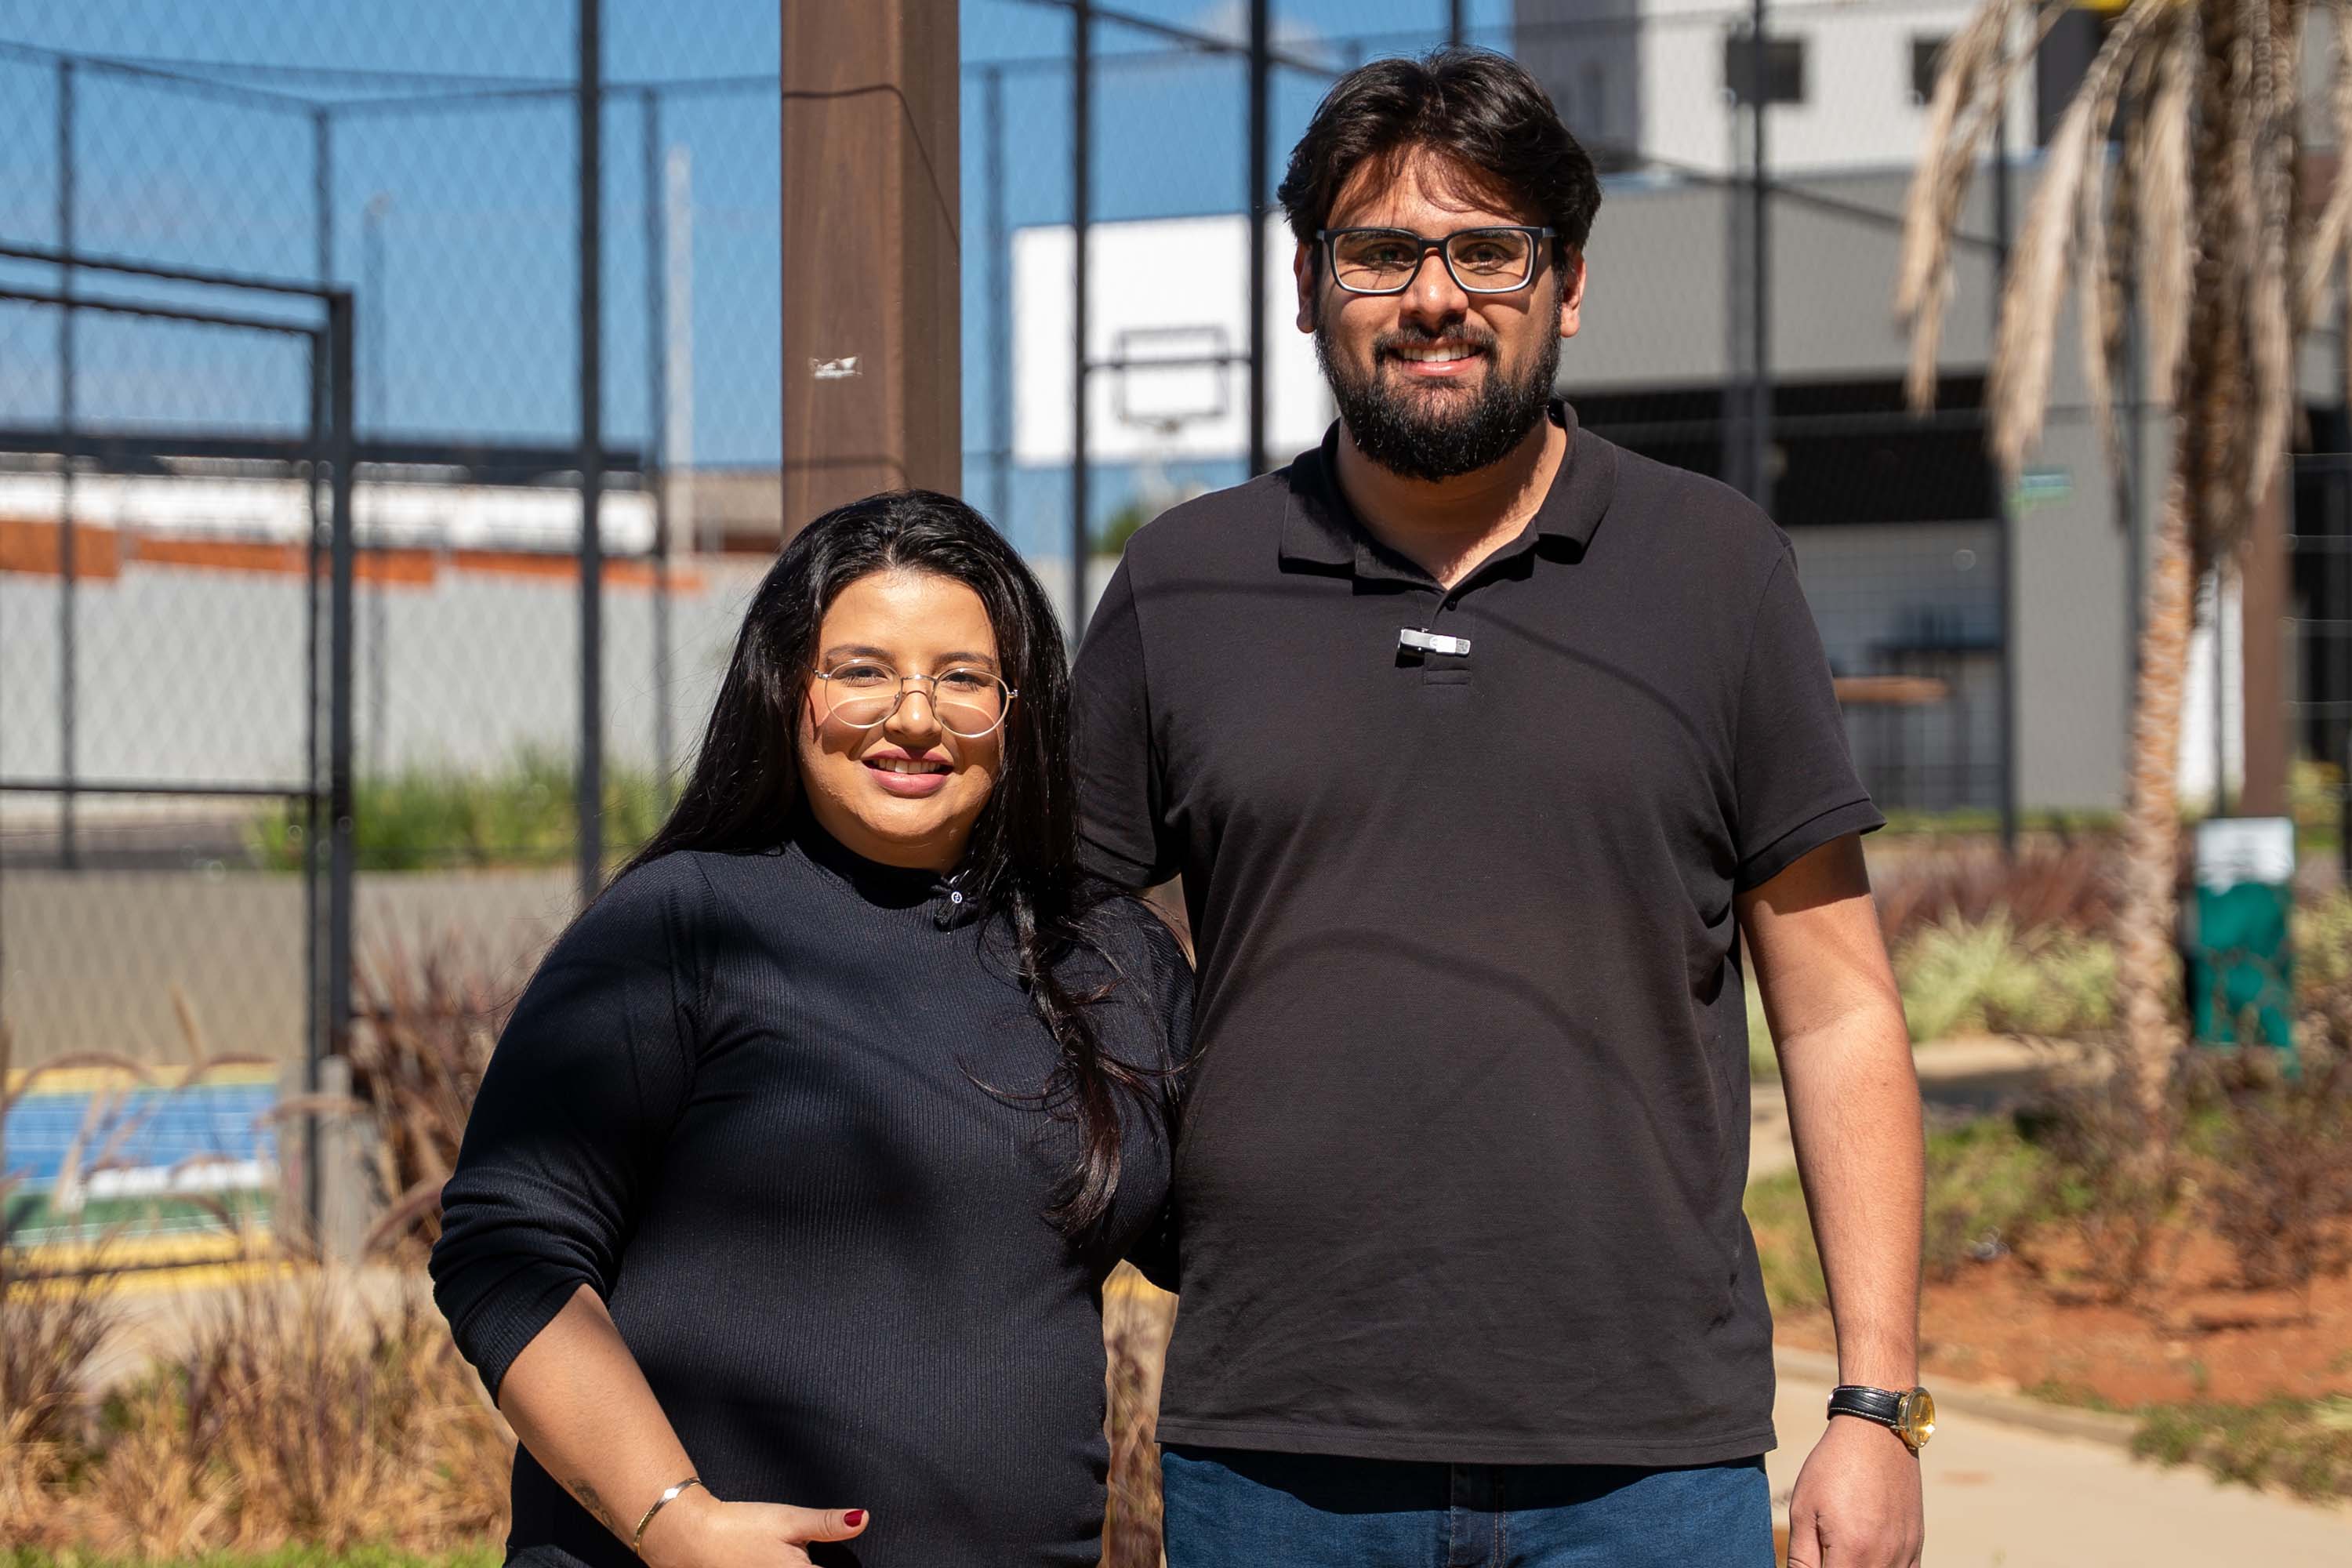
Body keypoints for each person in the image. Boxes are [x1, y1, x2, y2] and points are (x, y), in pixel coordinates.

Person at [1071, 48, 1928, 1568]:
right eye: (1382, 251)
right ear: (1304, 284)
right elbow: (1061, 962)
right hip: (1276, 1446)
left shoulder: (1715, 570)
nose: (1435, 295)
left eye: (1487, 248)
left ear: (1568, 282)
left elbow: (1839, 1003)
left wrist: (1875, 1403)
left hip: (1646, 1464)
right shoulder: (1181, 584)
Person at [430, 490, 1189, 1568]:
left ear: (1020, 710)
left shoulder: (1106, 956)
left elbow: (1229, 1231)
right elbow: (506, 1250)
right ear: (789, 688)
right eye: (864, 670)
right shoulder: (683, 923)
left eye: (963, 678)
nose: (915, 717)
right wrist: (676, 1521)